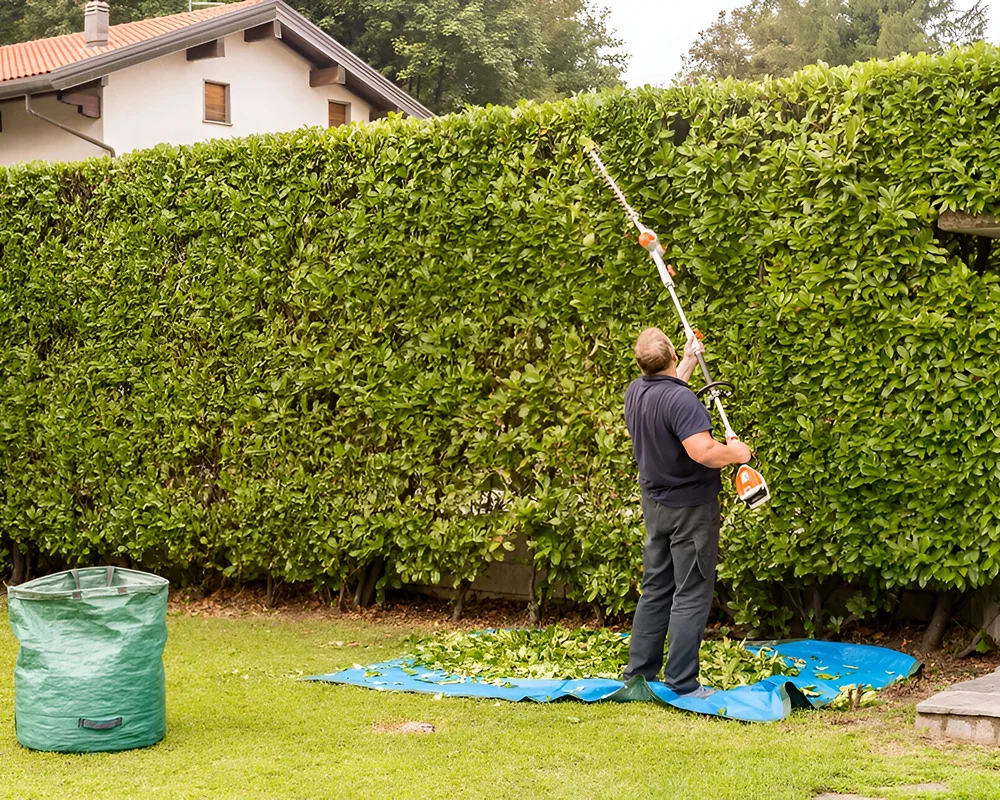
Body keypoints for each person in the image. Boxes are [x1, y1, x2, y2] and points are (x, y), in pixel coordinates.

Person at [622, 327, 752, 698]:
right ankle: (681, 681)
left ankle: (640, 673)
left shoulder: (637, 391)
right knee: (692, 591)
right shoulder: (681, 402)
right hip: (690, 510)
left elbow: (669, 395)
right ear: (670, 358)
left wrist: (690, 362)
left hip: (656, 506)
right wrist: (738, 455)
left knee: (656, 588)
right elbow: (704, 451)